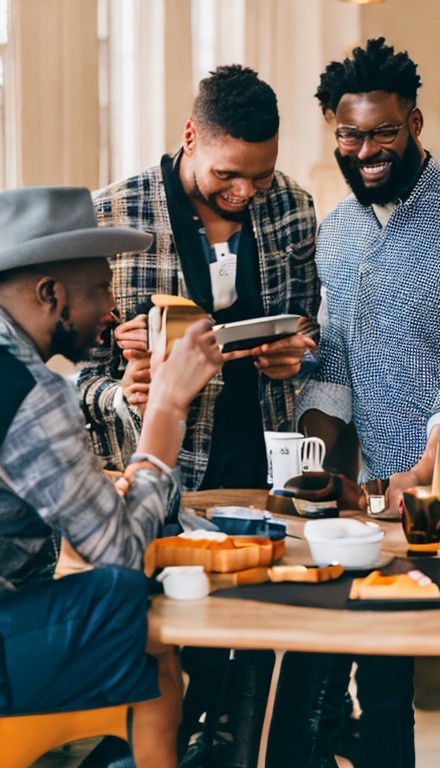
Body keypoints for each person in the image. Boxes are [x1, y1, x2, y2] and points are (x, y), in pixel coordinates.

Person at [76, 65, 329, 768]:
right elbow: (75, 381)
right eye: (229, 175)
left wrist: (299, 351)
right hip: (155, 474)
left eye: (261, 175)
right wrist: (120, 389)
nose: (246, 192)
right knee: (168, 644)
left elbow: (312, 325)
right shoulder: (111, 216)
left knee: (257, 641)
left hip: (265, 466)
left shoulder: (293, 210)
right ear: (190, 136)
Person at [298, 39, 440, 768]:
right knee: (381, 685)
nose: (365, 150)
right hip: (371, 508)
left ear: (417, 124)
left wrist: (423, 477)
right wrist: (307, 462)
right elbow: (333, 367)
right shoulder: (334, 233)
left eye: (383, 133)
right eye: (350, 134)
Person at [0, 185, 223, 768]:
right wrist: (168, 409)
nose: (110, 307)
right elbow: (120, 550)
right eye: (100, 288)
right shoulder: (28, 390)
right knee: (134, 608)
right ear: (51, 294)